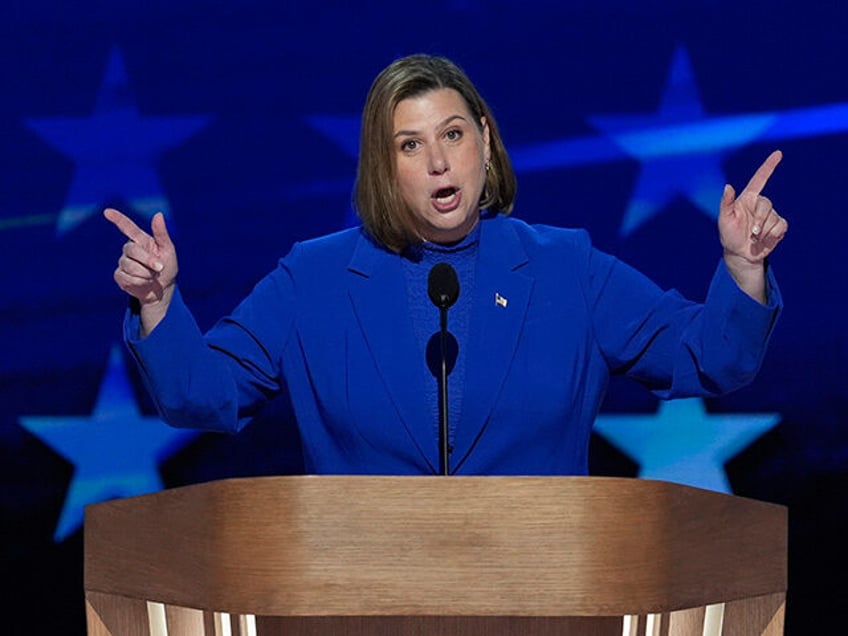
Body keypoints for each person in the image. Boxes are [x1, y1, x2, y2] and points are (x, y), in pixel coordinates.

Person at [105, 54, 787, 476]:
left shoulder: (566, 269)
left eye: (453, 134)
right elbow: (201, 392)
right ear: (384, 165)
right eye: (410, 145)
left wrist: (742, 268)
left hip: (541, 597)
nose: (438, 161)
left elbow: (710, 357)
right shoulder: (312, 279)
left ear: (484, 142)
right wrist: (159, 301)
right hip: (365, 603)